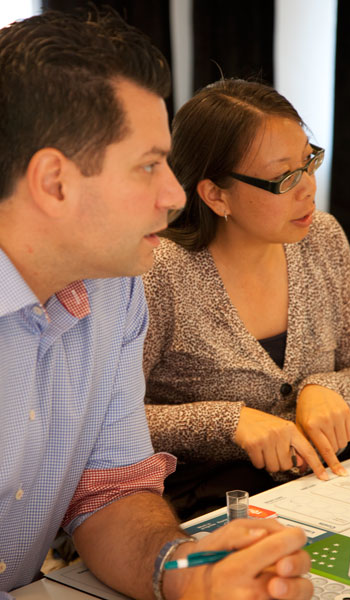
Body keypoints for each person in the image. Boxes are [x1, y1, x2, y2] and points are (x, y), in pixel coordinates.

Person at [0, 9, 314, 600]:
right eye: (148, 166)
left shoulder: (113, 288)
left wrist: (188, 572)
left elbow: (109, 491)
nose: (174, 194)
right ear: (53, 182)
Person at [142, 78, 350, 520]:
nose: (308, 187)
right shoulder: (159, 271)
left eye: (309, 161)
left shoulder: (323, 238)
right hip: (208, 498)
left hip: (327, 479)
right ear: (216, 194)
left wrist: (326, 388)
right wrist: (231, 421)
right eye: (284, 178)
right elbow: (108, 420)